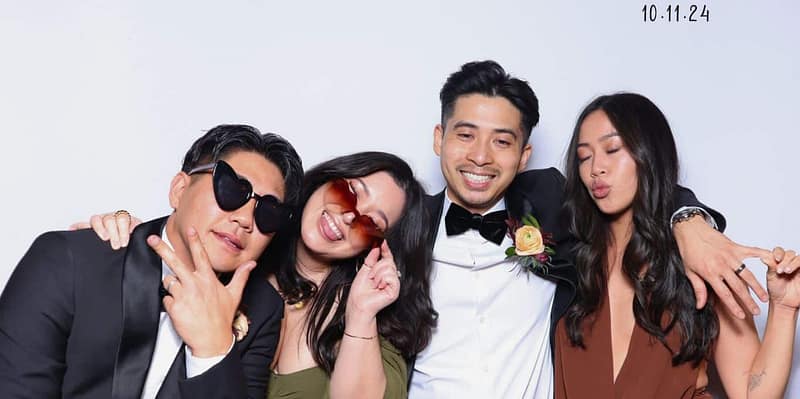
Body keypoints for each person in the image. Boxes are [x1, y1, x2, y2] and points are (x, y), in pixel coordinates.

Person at [408, 60, 772, 398]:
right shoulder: (400, 230)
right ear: (440, 138)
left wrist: (688, 220)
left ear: (523, 156)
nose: (481, 156)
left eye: (501, 141)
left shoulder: (550, 205)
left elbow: (641, 190)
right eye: (466, 135)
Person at [82, 151, 437, 399]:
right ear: (324, 181)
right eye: (349, 191)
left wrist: (360, 315)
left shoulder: (371, 327)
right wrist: (125, 237)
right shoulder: (226, 257)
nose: (348, 216)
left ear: (378, 247)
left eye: (370, 223)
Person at [0, 124, 304, 398]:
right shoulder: (70, 260)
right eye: (232, 191)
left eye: (268, 212)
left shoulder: (263, 309)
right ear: (179, 190)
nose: (245, 220)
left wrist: (213, 351)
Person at [554, 92, 799, 398]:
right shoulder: (567, 261)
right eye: (584, 157)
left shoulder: (702, 260)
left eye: (612, 149)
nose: (596, 169)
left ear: (649, 154)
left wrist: (784, 310)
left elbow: (752, 394)